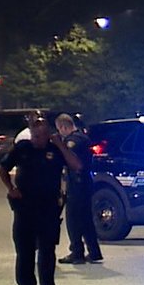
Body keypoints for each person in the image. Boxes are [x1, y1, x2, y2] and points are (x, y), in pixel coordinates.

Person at [0, 116, 82, 285]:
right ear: (30, 134)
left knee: (47, 254)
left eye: (44, 134)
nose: (39, 139)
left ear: (49, 134)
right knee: (25, 253)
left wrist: (60, 145)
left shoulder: (54, 150)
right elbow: (3, 168)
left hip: (48, 210)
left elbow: (77, 165)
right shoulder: (22, 148)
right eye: (36, 135)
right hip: (25, 208)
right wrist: (11, 188)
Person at [55, 113, 103, 265]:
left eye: (60, 129)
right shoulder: (83, 137)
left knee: (73, 220)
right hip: (85, 182)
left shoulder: (72, 141)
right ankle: (94, 251)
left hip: (77, 184)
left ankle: (77, 252)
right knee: (86, 219)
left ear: (63, 127)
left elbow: (71, 161)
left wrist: (60, 145)